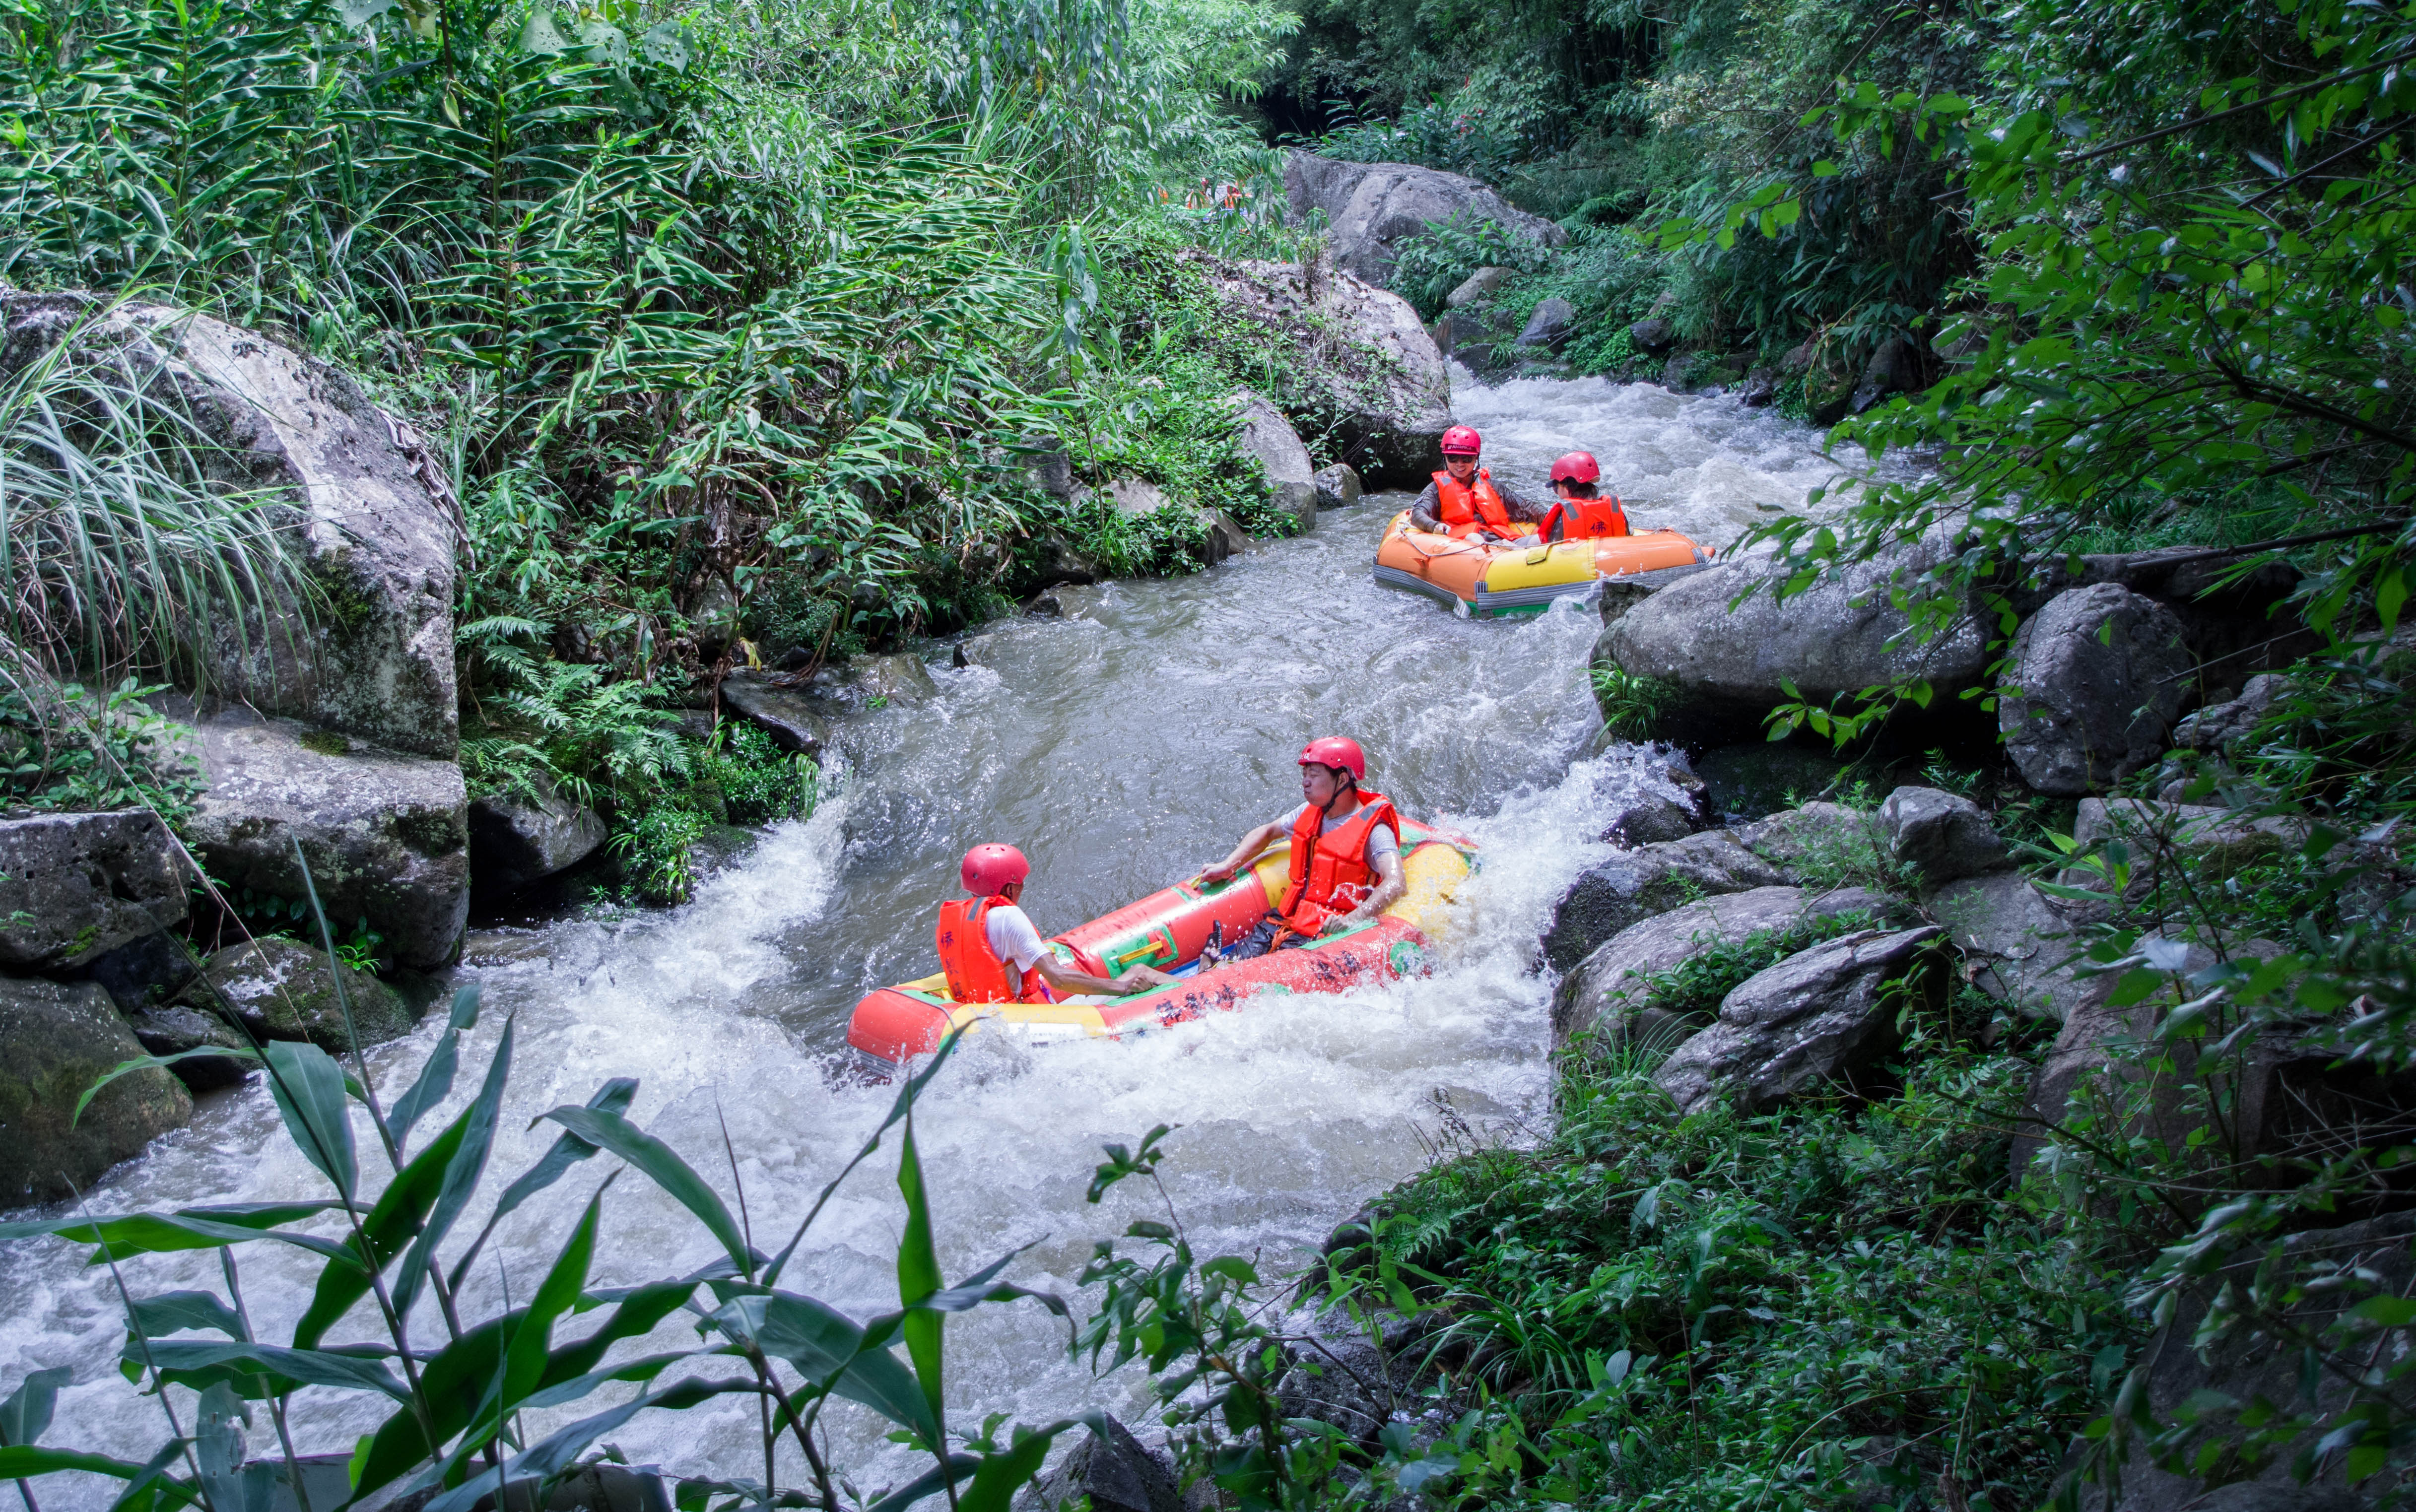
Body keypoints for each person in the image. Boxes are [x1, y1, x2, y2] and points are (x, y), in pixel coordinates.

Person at [1197, 737, 1407, 963]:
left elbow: (1396, 882)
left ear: (1343, 779)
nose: (1305, 782)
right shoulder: (1310, 811)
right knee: (1227, 966)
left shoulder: (1375, 829)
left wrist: (1354, 919)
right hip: (1285, 921)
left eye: (1314, 775)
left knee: (1238, 976)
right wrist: (1228, 865)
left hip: (1323, 936)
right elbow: (1268, 832)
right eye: (1304, 775)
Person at [938, 844, 1175, 1003]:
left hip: (991, 1017)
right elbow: (1057, 977)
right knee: (1140, 971)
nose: (1023, 888)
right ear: (1009, 888)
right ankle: (1205, 983)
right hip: (1028, 1020)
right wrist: (1122, 988)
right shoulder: (1008, 917)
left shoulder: (954, 922)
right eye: (1021, 883)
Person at [1408, 426, 1549, 541]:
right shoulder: (1435, 490)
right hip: (1464, 544)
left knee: (1540, 540)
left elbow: (1526, 507)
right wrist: (1434, 526)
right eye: (1453, 458)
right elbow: (1418, 514)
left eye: (1467, 459)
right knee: (1474, 538)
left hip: (1502, 542)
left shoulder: (1493, 487)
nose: (1460, 465)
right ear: (1445, 458)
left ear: (1476, 458)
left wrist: (1550, 518)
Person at [1535, 451, 1630, 542]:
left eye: (1556, 488)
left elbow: (1552, 548)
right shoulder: (1614, 509)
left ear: (1567, 487)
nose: (1558, 493)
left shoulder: (1565, 516)